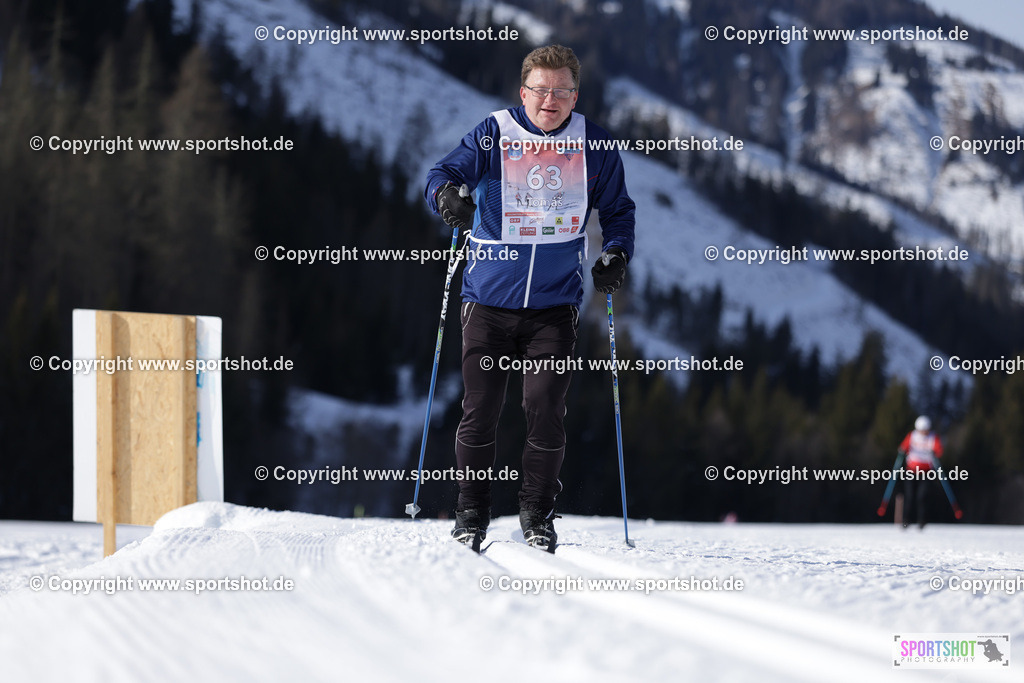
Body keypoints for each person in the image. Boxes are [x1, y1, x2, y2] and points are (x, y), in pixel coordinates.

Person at [424, 44, 636, 549]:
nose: (551, 100)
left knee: (544, 408)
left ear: (575, 95)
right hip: (488, 301)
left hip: (553, 307)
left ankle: (537, 516)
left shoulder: (595, 145)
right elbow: (441, 175)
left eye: (562, 90)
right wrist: (447, 198)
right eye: (541, 90)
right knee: (481, 409)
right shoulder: (495, 133)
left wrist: (616, 254)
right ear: (524, 92)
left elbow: (619, 212)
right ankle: (471, 514)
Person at [898, 415, 943, 529]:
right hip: (911, 471)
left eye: (925, 430)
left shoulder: (933, 437)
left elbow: (939, 451)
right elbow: (903, 447)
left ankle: (922, 521)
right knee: (909, 496)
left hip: (927, 472)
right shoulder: (912, 436)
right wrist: (902, 450)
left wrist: (935, 453)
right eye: (921, 430)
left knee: (922, 497)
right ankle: (906, 521)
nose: (923, 432)